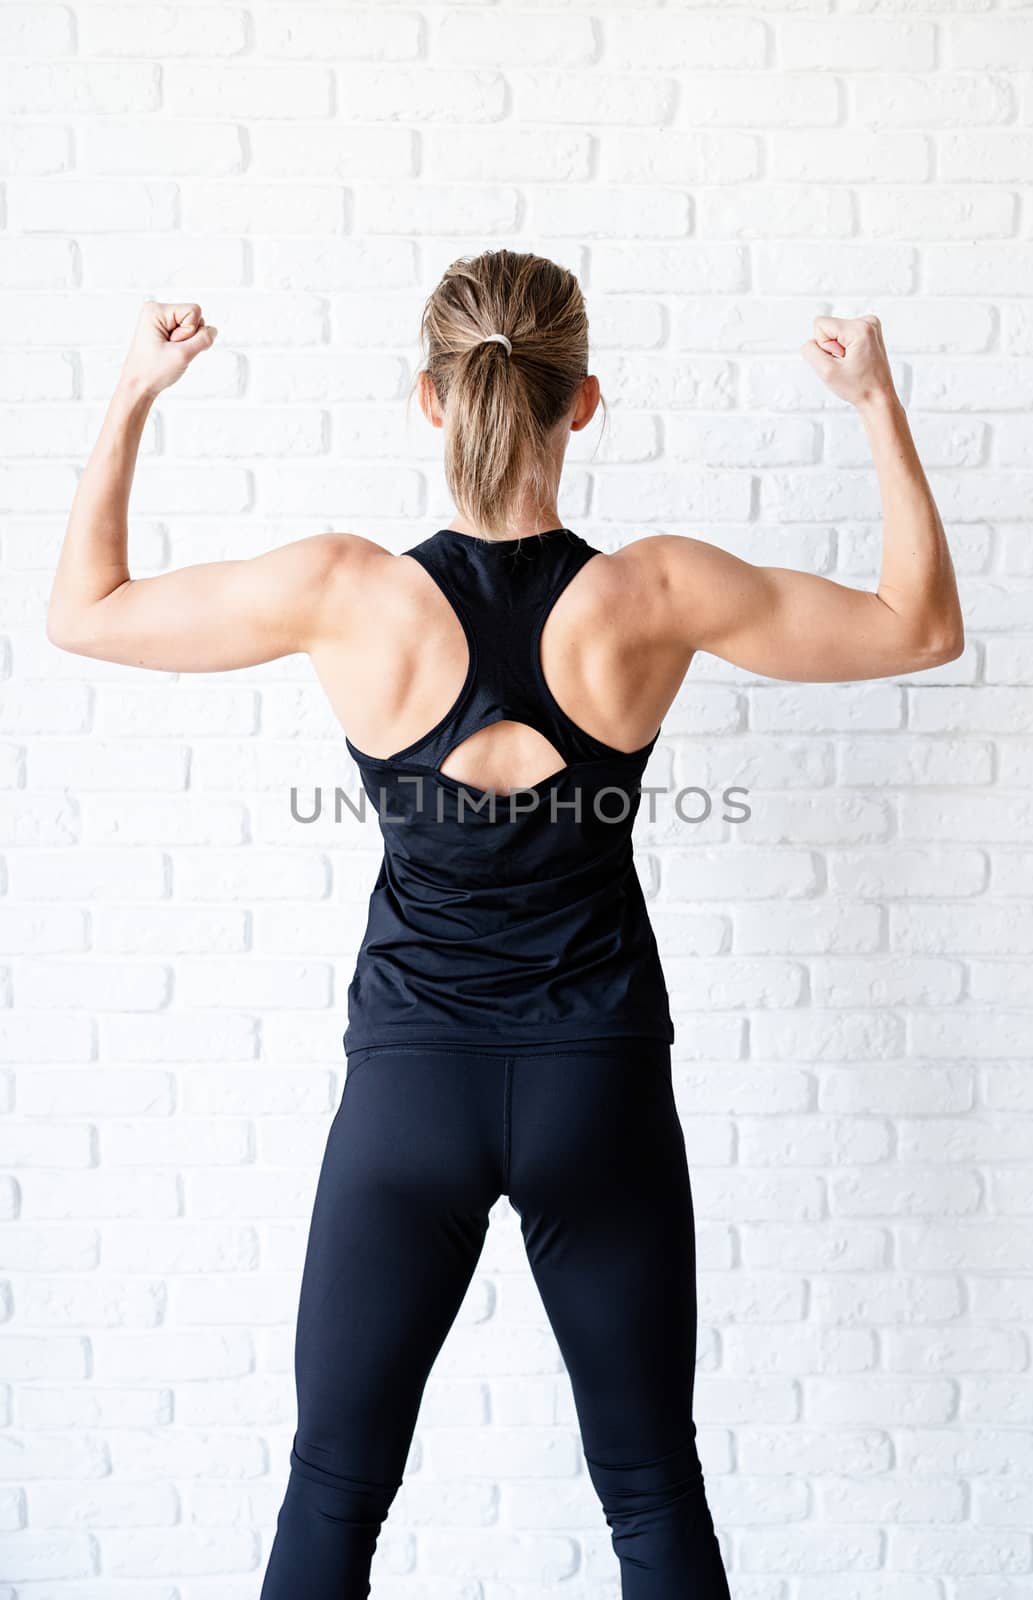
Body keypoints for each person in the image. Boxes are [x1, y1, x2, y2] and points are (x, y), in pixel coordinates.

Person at [48, 249, 963, 1599]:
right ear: (579, 404)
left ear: (431, 401)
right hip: (599, 1085)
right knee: (652, 1493)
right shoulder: (652, 595)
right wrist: (877, 403)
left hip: (409, 1092)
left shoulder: (345, 593)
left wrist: (134, 391)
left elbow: (87, 612)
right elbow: (918, 627)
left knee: (331, 1495)